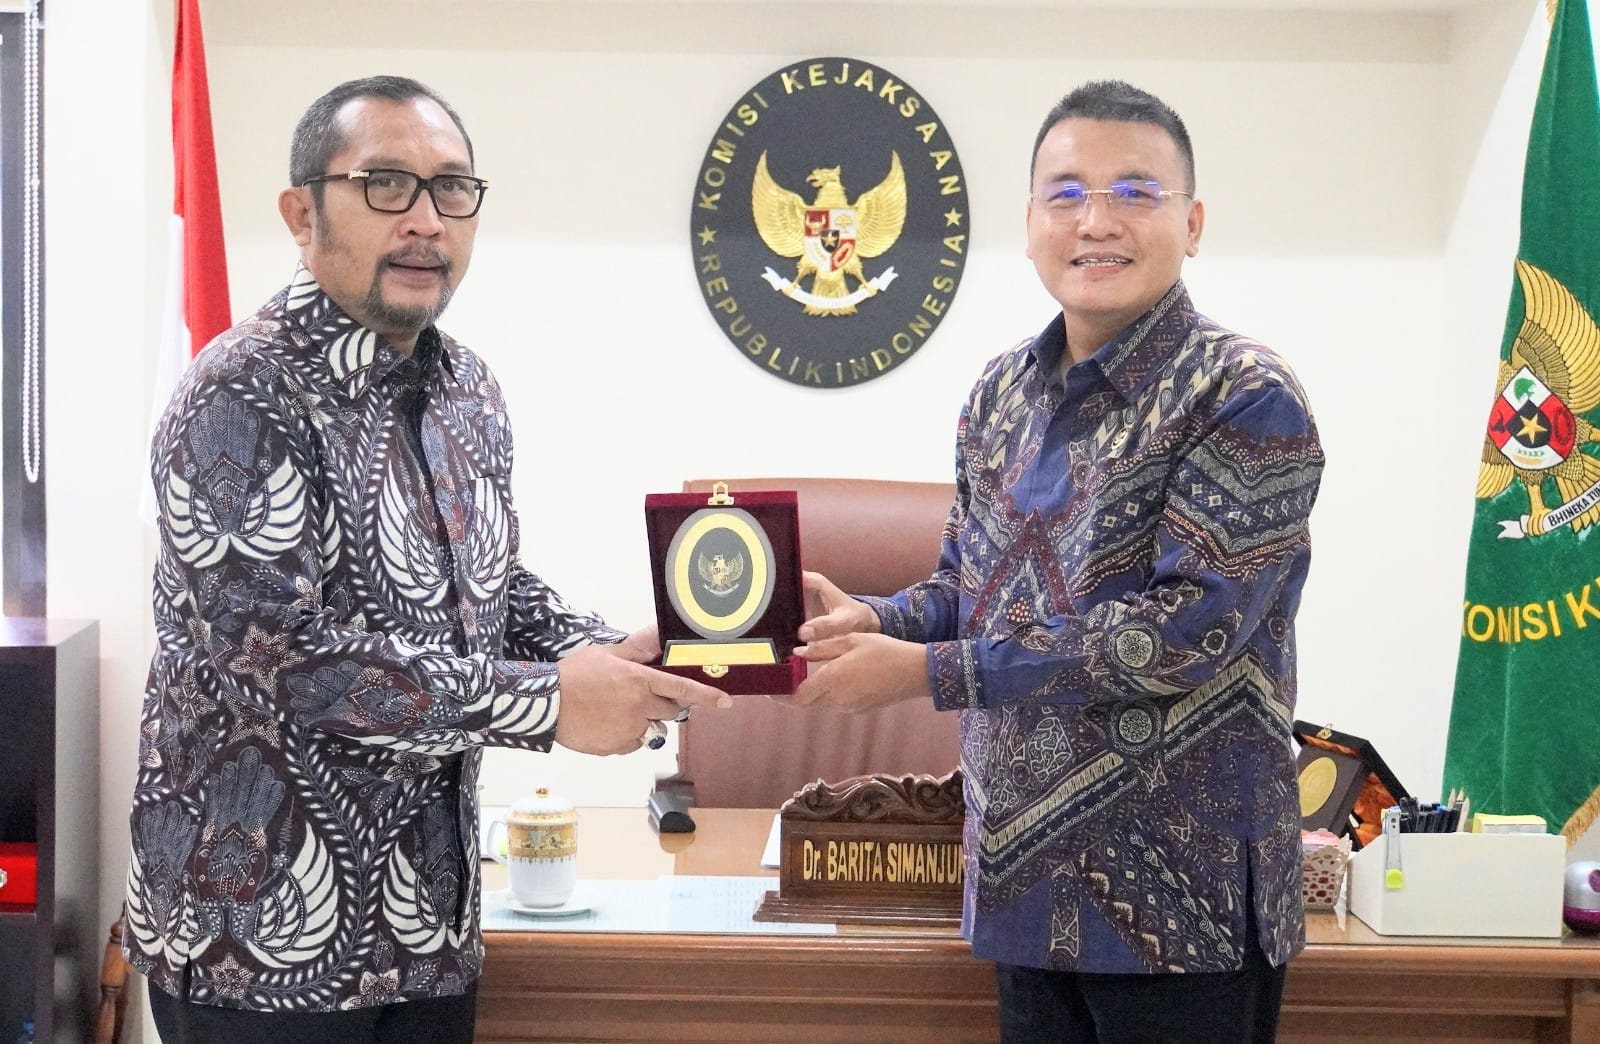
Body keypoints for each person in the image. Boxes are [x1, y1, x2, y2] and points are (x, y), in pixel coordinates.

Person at [121, 75, 728, 1042]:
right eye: (387, 185)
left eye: (452, 188)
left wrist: (611, 654)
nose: (426, 220)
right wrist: (551, 702)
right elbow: (284, 664)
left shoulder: (466, 388)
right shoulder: (237, 395)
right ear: (302, 213)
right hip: (263, 951)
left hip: (428, 929)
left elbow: (489, 586)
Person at [793, 80, 1324, 1043]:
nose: (1097, 221)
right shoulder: (1000, 394)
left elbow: (1182, 632)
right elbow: (967, 588)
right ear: (1031, 222)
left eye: (1136, 192)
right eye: (1067, 193)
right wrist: (876, 620)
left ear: (1192, 223)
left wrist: (926, 672)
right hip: (1024, 885)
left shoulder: (1244, 395)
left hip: (1184, 910)